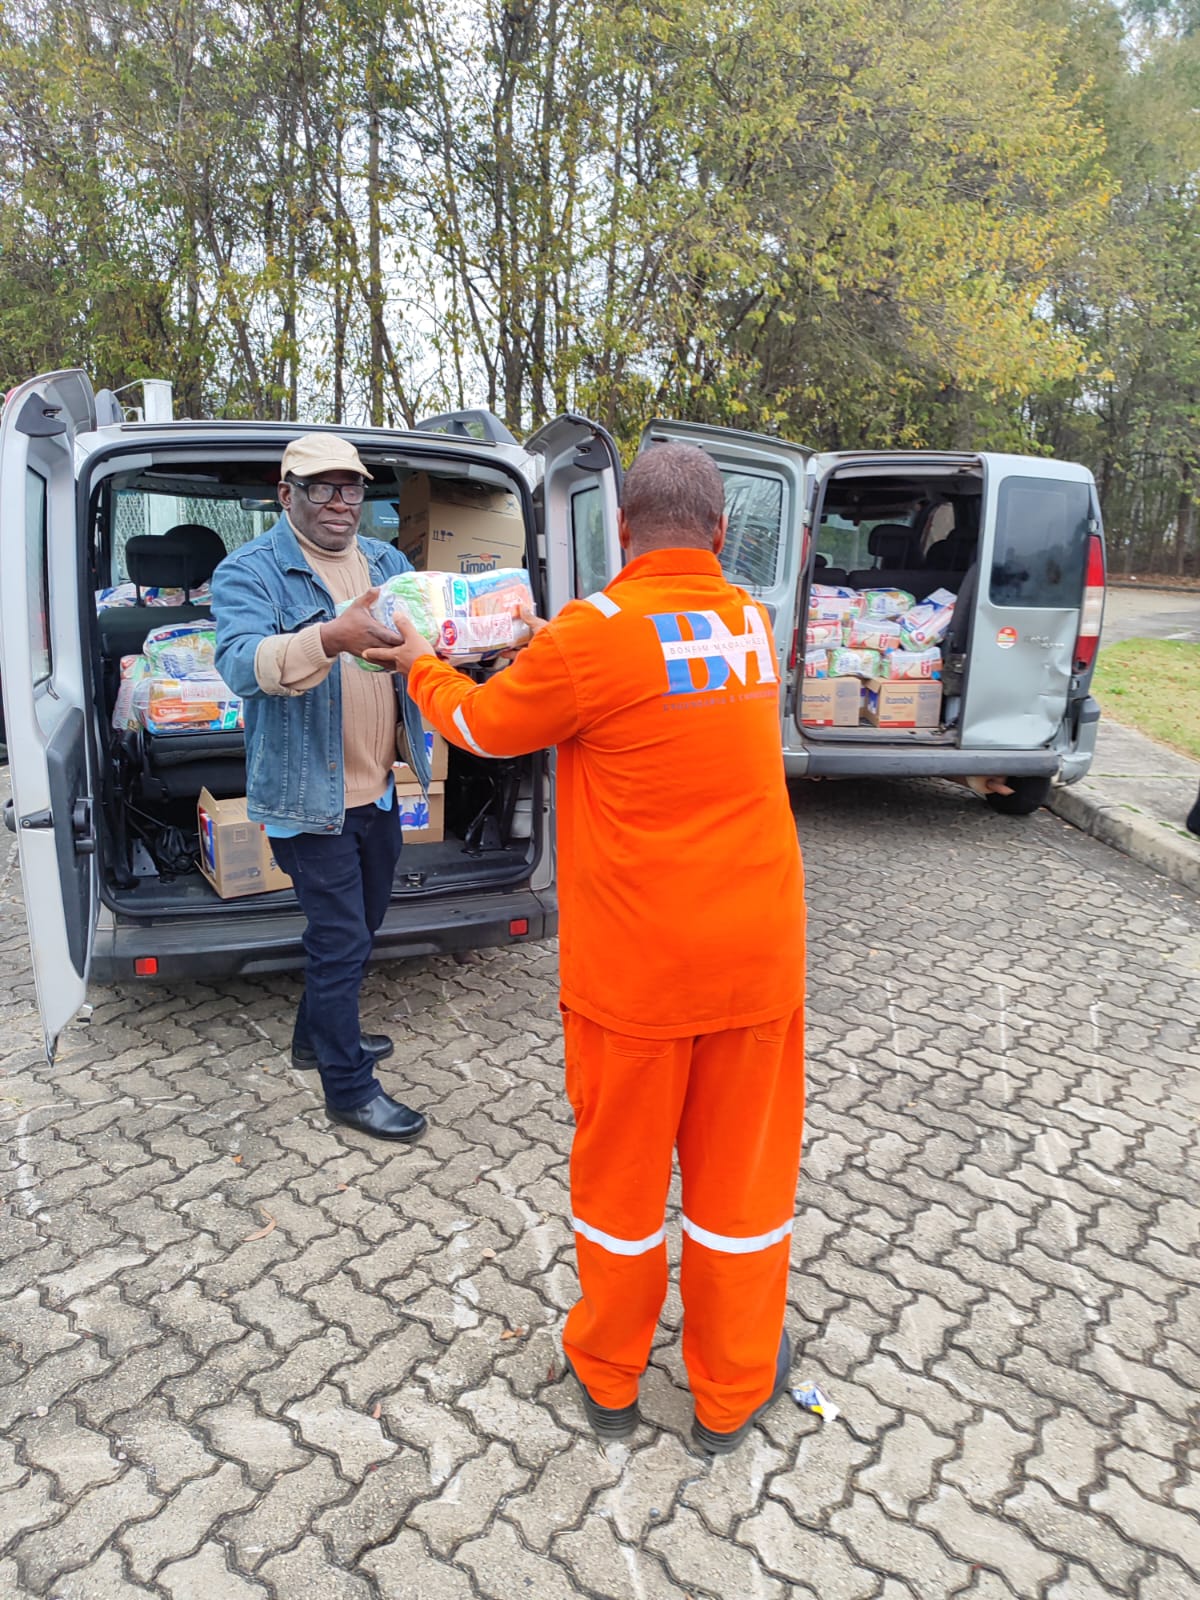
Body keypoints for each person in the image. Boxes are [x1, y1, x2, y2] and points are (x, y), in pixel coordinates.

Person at [366, 443, 807, 1454]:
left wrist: (419, 667)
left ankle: (610, 1380)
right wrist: (542, 636)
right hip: (758, 962)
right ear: (719, 533)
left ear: (620, 530)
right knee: (742, 1184)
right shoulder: (751, 624)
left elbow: (483, 722)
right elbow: (650, 673)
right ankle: (729, 1393)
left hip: (640, 973)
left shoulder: (594, 636)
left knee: (620, 1183)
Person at [212, 434, 427, 1144]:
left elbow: (420, 644)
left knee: (358, 933)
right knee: (339, 943)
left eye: (352, 487)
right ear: (287, 495)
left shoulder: (389, 563)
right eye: (321, 488)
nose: (340, 502)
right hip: (309, 802)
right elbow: (244, 666)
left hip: (381, 790)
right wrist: (330, 637)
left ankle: (314, 1040)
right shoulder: (250, 571)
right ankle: (348, 1089)